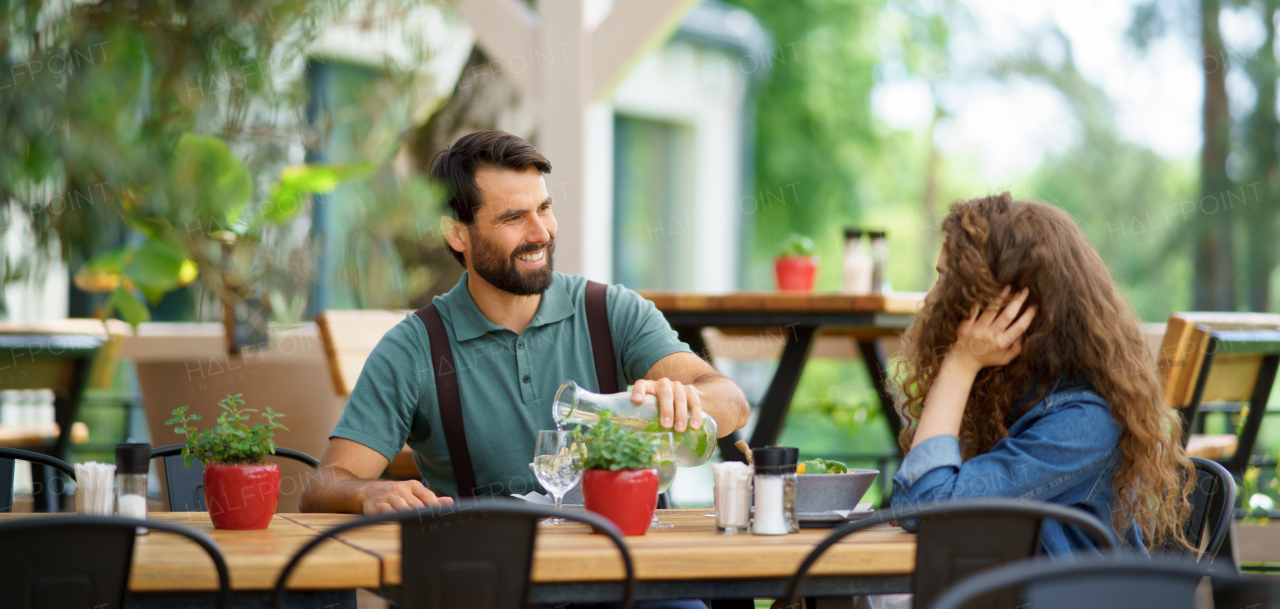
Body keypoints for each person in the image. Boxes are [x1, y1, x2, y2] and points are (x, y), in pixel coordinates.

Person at [300, 130, 750, 520]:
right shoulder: (414, 349)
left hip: (632, 578)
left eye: (544, 208)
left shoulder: (610, 311)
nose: (541, 233)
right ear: (457, 233)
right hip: (502, 584)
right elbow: (324, 485)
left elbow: (732, 404)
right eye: (514, 217)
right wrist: (369, 491)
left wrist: (689, 399)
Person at [889, 192, 1194, 556]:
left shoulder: (1084, 422)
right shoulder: (1011, 388)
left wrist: (959, 364)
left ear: (1009, 307)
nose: (930, 299)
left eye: (946, 282)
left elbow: (925, 510)